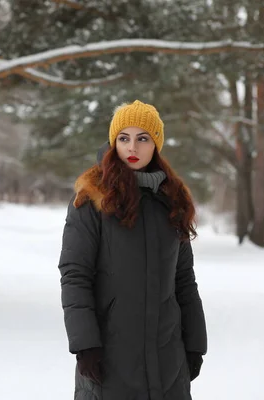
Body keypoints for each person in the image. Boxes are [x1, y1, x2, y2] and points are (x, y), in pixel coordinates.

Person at [58, 100, 207, 400]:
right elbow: (75, 275)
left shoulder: (172, 200)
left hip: (168, 360)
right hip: (109, 360)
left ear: (156, 145)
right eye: (124, 138)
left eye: (143, 138)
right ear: (114, 143)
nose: (132, 147)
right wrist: (85, 344)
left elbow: (184, 281)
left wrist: (193, 344)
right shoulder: (92, 198)